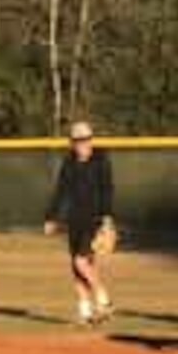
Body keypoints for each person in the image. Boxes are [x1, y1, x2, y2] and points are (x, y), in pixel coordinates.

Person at [44, 121, 115, 326]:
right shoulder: (69, 163)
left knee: (80, 262)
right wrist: (51, 216)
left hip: (95, 219)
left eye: (86, 139)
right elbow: (61, 191)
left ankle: (105, 300)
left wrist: (107, 217)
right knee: (77, 268)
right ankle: (85, 313)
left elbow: (108, 188)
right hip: (75, 220)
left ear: (91, 139)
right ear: (72, 143)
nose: (83, 144)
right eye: (78, 140)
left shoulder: (101, 159)